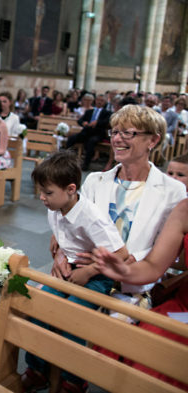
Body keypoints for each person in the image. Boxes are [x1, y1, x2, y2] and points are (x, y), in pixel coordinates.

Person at [52, 105, 185, 308]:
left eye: (128, 133)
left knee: (77, 325)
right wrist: (62, 254)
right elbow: (74, 226)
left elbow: (161, 248)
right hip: (79, 272)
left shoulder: (172, 190)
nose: (117, 139)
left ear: (153, 140)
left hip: (130, 286)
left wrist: (98, 267)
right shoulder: (96, 180)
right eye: (114, 132)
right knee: (37, 311)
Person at [22, 150, 129, 393]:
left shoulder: (92, 217)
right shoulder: (55, 207)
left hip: (97, 276)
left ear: (71, 189)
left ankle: (74, 379)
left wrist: (89, 271)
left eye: (48, 193)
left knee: (73, 317)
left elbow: (122, 254)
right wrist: (61, 254)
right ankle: (38, 369)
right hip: (70, 268)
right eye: (40, 191)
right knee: (39, 305)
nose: (42, 198)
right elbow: (63, 237)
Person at [88, 199, 188, 391]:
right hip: (184, 309)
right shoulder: (184, 209)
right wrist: (125, 272)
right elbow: (153, 266)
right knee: (150, 346)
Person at [66, 94, 112, 171]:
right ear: (95, 101)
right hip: (86, 131)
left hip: (97, 133)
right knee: (72, 138)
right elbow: (80, 120)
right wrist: (83, 123)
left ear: (105, 102)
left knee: (91, 142)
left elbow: (106, 121)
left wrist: (97, 122)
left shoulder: (107, 113)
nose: (99, 102)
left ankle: (86, 164)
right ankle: (67, 159)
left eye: (102, 101)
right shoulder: (89, 111)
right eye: (98, 100)